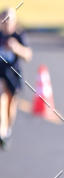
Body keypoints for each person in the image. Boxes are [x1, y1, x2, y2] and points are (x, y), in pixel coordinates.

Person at [0, 8, 32, 148]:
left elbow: (28, 55)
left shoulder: (19, 36)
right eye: (4, 20)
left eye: (9, 20)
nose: (7, 23)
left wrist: (16, 48)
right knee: (1, 99)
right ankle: (2, 130)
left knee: (11, 105)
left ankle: (7, 129)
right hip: (0, 75)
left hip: (13, 75)